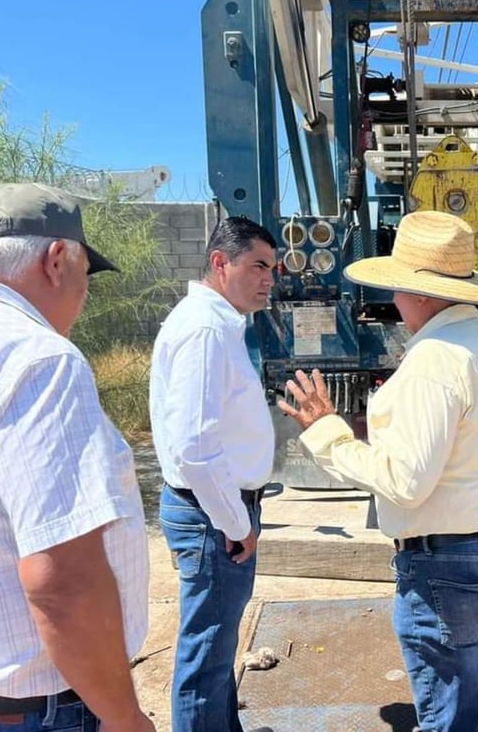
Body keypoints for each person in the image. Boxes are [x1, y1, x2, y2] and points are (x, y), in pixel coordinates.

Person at [278, 211, 478, 732]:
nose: (394, 301)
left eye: (398, 289)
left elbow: (404, 481)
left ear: (421, 294)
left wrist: (327, 432)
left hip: (447, 565)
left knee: (451, 709)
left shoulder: (432, 363)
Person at [0, 183, 152, 731]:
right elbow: (63, 581)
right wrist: (126, 719)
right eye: (85, 277)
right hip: (28, 714)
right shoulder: (35, 357)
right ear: (56, 261)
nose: (82, 298)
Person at [149, 215, 277, 732]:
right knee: (205, 659)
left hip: (214, 511)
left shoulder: (217, 324)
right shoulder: (205, 330)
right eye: (258, 266)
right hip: (212, 516)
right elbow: (195, 449)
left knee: (217, 648)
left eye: (274, 269)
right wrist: (236, 523)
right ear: (220, 263)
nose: (269, 279)